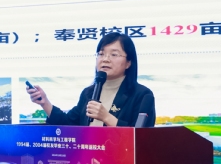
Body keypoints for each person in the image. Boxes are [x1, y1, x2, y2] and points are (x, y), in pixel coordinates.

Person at [26, 32, 155, 127]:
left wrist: (106, 117)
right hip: (89, 156)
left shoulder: (142, 95)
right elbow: (68, 124)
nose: (105, 59)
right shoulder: (89, 93)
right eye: (101, 54)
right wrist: (45, 103)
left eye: (114, 54)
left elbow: (142, 136)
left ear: (128, 63)